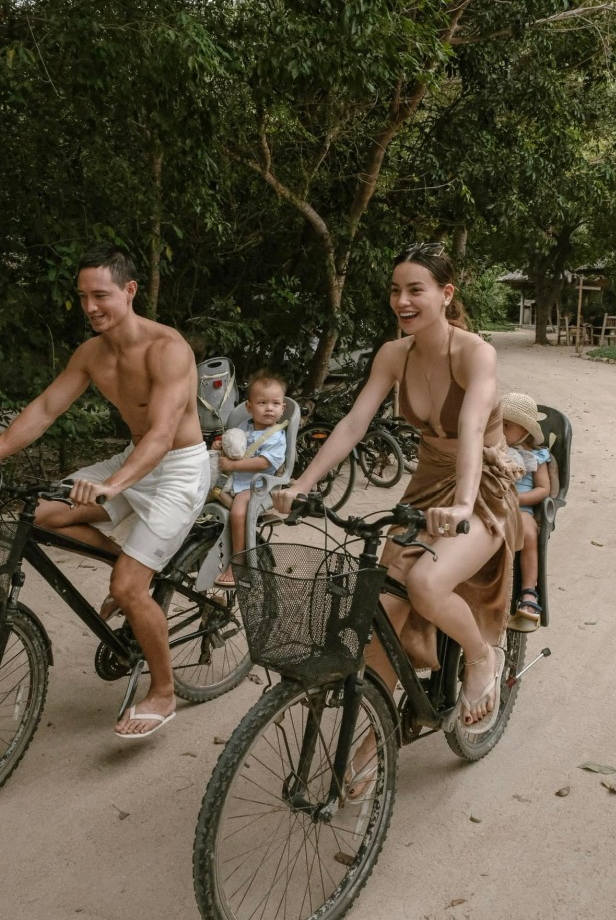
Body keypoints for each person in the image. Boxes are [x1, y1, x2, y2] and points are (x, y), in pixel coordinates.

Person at [274, 242, 522, 797]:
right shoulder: (393, 354)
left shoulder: (475, 353)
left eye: (416, 290)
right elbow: (352, 425)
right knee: (379, 617)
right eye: (395, 290)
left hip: (481, 485)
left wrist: (463, 504)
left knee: (426, 583)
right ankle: (375, 738)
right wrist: (301, 484)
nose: (403, 301)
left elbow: (471, 429)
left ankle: (481, 657)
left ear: (446, 294)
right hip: (426, 487)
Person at [0, 244, 210, 739]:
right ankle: (133, 562)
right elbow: (45, 409)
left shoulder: (168, 348)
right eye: (82, 297)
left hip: (178, 468)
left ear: (129, 290)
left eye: (101, 295)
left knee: (127, 587)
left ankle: (163, 691)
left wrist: (111, 486)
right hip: (132, 459)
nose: (90, 307)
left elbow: (162, 434)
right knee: (42, 515)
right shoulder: (92, 354)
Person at [213, 370, 287, 587]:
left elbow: (264, 463)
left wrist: (233, 465)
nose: (269, 408)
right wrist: (221, 446)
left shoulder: (276, 436)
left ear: (283, 408)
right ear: (249, 407)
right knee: (201, 492)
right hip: (234, 479)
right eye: (262, 403)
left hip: (257, 484)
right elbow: (235, 447)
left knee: (238, 511)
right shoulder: (245, 427)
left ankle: (238, 560)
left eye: (275, 403)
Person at [502, 392, 551, 631]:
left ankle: (529, 591)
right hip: (491, 503)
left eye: (507, 425)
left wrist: (516, 499)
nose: (500, 429)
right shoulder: (492, 449)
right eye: (498, 423)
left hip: (521, 507)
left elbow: (543, 489)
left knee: (529, 533)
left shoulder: (535, 457)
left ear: (524, 430)